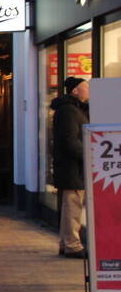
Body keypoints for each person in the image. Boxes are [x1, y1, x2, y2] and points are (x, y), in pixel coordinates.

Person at [52, 76, 90, 259]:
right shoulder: (69, 111)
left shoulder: (73, 110)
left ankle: (65, 242)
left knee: (71, 207)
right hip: (72, 169)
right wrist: (89, 155)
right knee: (72, 207)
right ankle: (72, 245)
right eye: (85, 87)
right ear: (75, 91)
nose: (88, 90)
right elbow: (69, 141)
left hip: (72, 168)